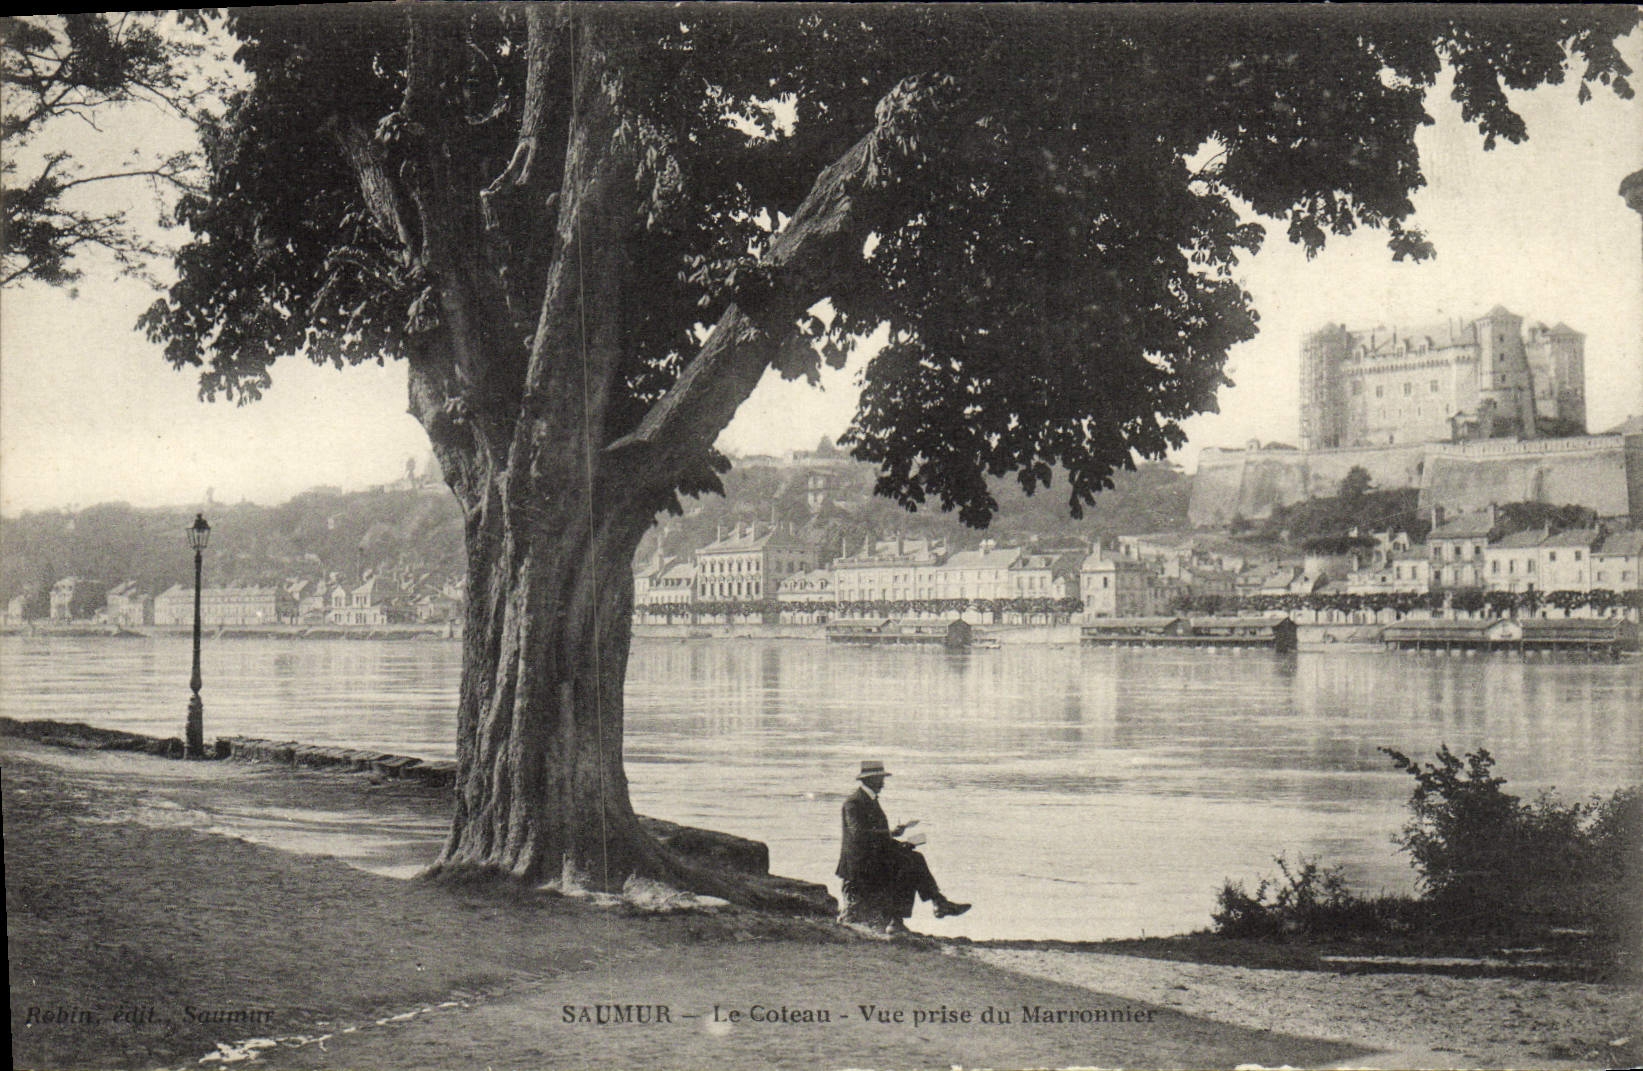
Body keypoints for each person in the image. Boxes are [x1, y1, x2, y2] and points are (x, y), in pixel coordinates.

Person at [835, 760, 970, 931]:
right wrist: (892, 840)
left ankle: (928, 907)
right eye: (880, 779)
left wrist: (896, 840)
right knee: (910, 862)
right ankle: (925, 909)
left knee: (911, 859)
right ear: (870, 780)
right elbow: (861, 835)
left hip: (870, 858)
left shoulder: (868, 800)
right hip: (859, 865)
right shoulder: (853, 803)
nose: (883, 784)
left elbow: (872, 835)